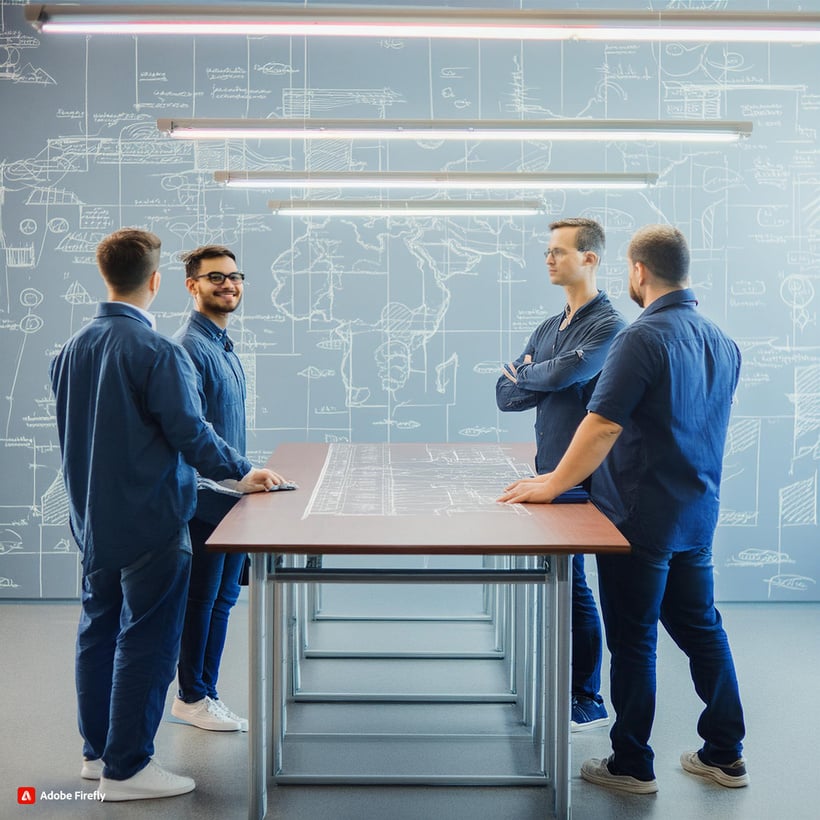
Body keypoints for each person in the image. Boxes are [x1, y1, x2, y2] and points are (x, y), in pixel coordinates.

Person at [498, 224, 747, 795]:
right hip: (695, 513)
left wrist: (552, 483)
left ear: (637, 272)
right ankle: (725, 755)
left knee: (633, 639)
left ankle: (632, 765)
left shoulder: (641, 338)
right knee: (702, 628)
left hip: (637, 517)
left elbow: (603, 422)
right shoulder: (721, 340)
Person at [50, 228, 282, 802]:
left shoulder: (71, 348)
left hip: (92, 520)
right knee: (147, 642)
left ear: (108, 276)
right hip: (152, 517)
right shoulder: (157, 352)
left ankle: (98, 752)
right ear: (158, 281)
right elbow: (191, 434)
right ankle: (128, 769)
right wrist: (241, 471)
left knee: (97, 630)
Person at [495, 217, 626, 731]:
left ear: (589, 258)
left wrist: (537, 373)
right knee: (565, 582)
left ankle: (586, 697)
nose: (549, 259)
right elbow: (506, 394)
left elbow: (563, 374)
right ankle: (570, 687)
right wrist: (542, 374)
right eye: (547, 251)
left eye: (559, 251)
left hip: (588, 478)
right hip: (548, 474)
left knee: (577, 585)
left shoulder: (609, 324)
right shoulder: (551, 327)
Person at [170, 245, 262, 732]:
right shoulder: (189, 347)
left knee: (223, 598)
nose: (229, 285)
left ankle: (205, 692)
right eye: (215, 278)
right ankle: (191, 696)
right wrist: (241, 473)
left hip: (230, 495)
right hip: (206, 498)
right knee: (202, 600)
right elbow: (193, 432)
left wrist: (246, 476)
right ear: (192, 286)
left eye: (234, 276)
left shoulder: (220, 344)